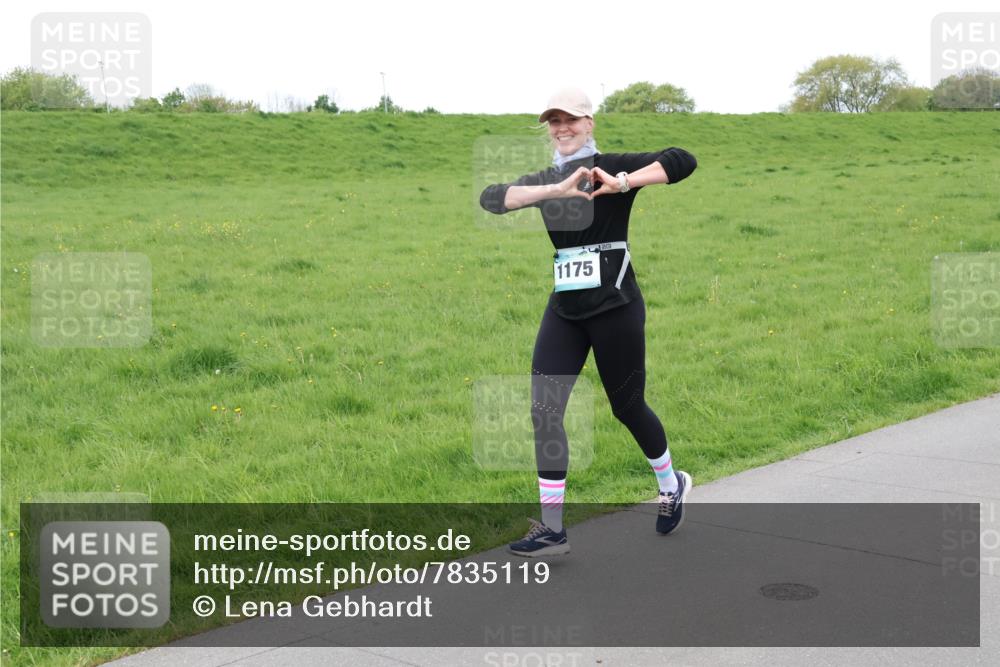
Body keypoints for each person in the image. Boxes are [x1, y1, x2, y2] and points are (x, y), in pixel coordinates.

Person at [479, 87, 698, 557]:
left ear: (589, 122)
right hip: (566, 309)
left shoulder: (616, 164)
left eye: (571, 120)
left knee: (627, 407)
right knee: (545, 410)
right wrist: (554, 189)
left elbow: (683, 159)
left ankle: (670, 483)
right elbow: (491, 198)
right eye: (554, 122)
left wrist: (623, 183)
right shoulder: (546, 178)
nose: (562, 128)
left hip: (616, 306)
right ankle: (553, 529)